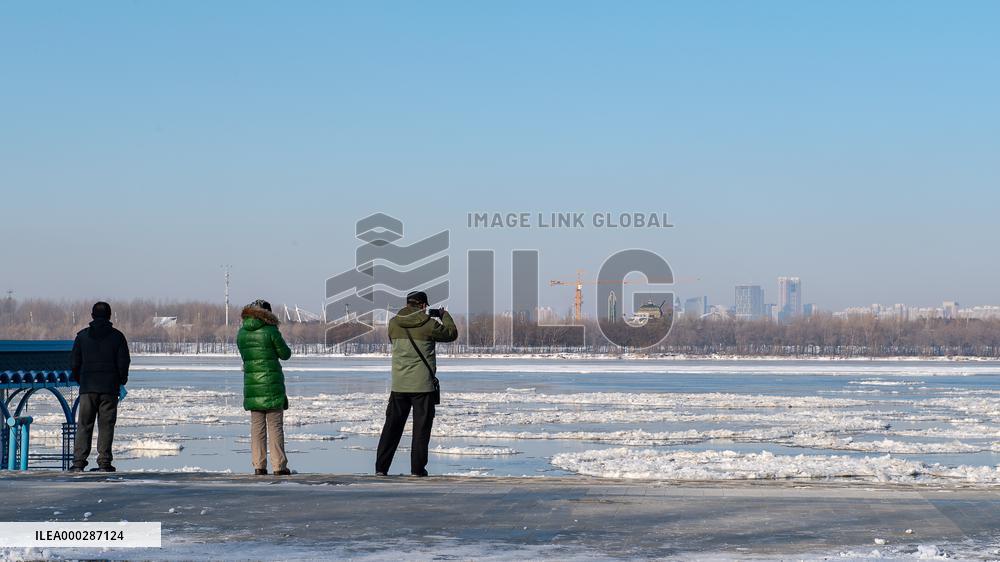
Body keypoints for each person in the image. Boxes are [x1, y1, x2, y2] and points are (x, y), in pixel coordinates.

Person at [375, 291, 458, 476]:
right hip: (423, 386)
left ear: (407, 304)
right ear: (422, 306)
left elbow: (393, 341)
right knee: (421, 430)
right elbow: (451, 334)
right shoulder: (429, 325)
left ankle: (381, 469)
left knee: (391, 428)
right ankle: (417, 470)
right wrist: (444, 315)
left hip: (399, 385)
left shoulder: (393, 323)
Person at [70, 301, 130, 472]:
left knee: (84, 424)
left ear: (92, 316)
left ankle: (78, 463)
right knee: (106, 425)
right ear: (109, 316)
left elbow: (74, 362)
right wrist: (121, 380)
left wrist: (80, 379)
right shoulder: (117, 337)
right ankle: (104, 462)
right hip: (109, 388)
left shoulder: (82, 337)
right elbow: (124, 361)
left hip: (88, 387)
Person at [237, 299, 292, 476]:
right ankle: (279, 467)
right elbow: (285, 354)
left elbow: (246, 357)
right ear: (267, 314)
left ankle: (259, 466)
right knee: (275, 426)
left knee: (257, 428)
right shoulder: (270, 331)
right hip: (271, 385)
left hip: (252, 386)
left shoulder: (242, 333)